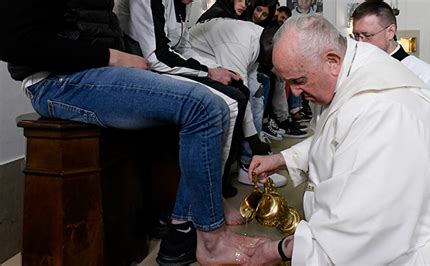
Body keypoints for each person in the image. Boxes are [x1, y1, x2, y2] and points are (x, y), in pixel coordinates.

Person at [0, 0, 267, 265]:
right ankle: (211, 240)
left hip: (90, 70)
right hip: (56, 80)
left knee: (217, 105)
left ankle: (181, 229)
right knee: (203, 106)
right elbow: (15, 41)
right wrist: (112, 57)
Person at [247, 14, 430, 265]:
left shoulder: (383, 110)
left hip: (424, 243)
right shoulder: (352, 68)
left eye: (299, 81)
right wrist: (283, 158)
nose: (295, 92)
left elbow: (363, 229)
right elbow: (338, 134)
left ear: (332, 61)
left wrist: (283, 250)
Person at [115, 0, 273, 198]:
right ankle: (213, 190)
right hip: (145, 62)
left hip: (167, 61)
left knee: (238, 88)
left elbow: (184, 47)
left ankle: (219, 180)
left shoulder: (184, 3)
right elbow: (157, 56)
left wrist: (218, 69)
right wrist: (209, 72)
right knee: (231, 101)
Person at [189, 18, 288, 187]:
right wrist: (254, 140)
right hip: (193, 60)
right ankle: (238, 170)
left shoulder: (258, 39)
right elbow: (240, 90)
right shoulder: (240, 41)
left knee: (257, 96)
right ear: (271, 45)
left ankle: (252, 162)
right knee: (238, 101)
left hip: (212, 60)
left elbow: (251, 84)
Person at [351, 0, 430, 101]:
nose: (360, 43)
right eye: (356, 36)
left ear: (390, 32)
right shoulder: (355, 70)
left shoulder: (426, 75)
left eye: (367, 35)